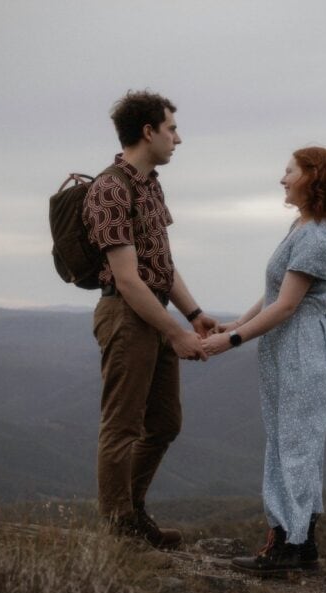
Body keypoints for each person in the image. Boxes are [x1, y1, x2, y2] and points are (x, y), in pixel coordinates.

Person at [203, 146, 326, 574]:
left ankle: (290, 546)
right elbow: (275, 291)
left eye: (289, 170)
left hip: (300, 346)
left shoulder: (318, 236)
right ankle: (299, 545)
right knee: (289, 442)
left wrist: (232, 340)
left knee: (297, 447)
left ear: (312, 176)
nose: (282, 178)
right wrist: (238, 322)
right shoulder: (301, 227)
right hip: (286, 347)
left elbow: (287, 306)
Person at [83, 90, 217, 549]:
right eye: (171, 129)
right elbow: (127, 278)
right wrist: (176, 332)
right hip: (126, 315)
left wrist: (194, 314)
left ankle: (131, 513)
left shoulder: (151, 184)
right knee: (121, 425)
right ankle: (119, 528)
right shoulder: (109, 188)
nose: (178, 139)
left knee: (164, 423)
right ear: (148, 132)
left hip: (154, 312)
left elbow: (161, 264)